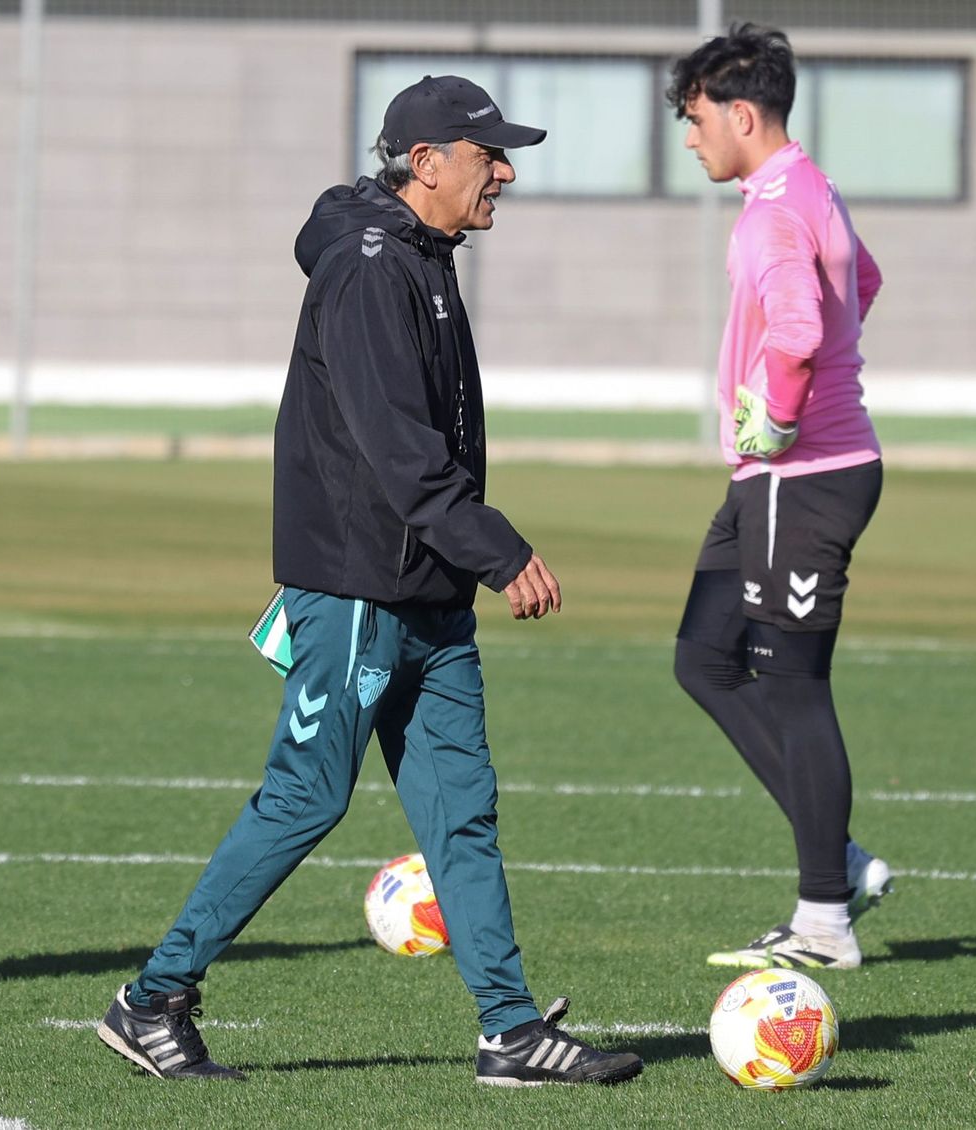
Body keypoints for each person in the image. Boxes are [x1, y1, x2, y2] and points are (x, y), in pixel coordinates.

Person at [96, 75, 643, 1088]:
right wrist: (498, 547)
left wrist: (460, 556)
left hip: (424, 587)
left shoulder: (422, 257)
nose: (507, 174)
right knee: (305, 795)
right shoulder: (367, 266)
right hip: (355, 586)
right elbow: (396, 450)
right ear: (427, 163)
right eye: (491, 157)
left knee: (461, 808)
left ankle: (510, 1029)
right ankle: (153, 996)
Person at [665, 25, 891, 970]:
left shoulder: (769, 212)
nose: (690, 140)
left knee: (793, 684)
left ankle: (824, 921)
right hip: (770, 480)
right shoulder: (806, 185)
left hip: (801, 478)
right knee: (703, 659)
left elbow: (798, 330)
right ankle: (834, 856)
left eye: (695, 119)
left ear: (741, 113)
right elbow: (864, 281)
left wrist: (787, 414)